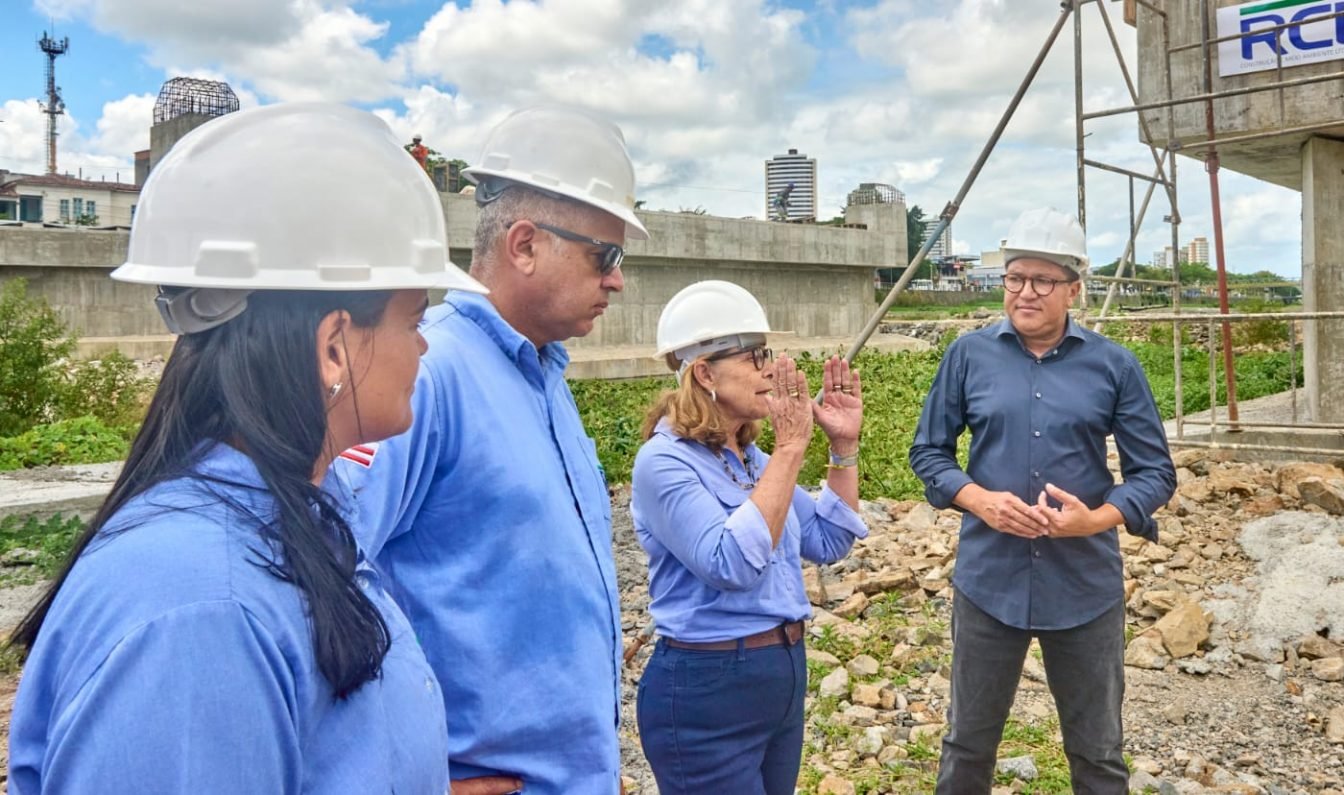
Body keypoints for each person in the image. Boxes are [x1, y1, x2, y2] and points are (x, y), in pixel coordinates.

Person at [6, 103, 507, 794]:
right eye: (415, 317)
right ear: (335, 344)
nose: (425, 343)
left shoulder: (291, 517)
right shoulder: (201, 609)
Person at [338, 106, 648, 795]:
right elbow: (315, 580)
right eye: (607, 255)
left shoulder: (544, 377)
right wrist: (386, 781)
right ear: (525, 244)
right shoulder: (428, 373)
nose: (617, 280)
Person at [909, 207, 1176, 794]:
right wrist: (979, 500)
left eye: (1043, 281)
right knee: (967, 746)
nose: (1026, 292)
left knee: (1099, 751)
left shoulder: (1114, 365)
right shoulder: (968, 356)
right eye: (1015, 278)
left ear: (1074, 288)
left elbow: (1155, 472)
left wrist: (1094, 521)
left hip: (1084, 587)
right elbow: (928, 454)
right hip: (988, 583)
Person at [630, 280, 868, 794]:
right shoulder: (664, 462)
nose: (768, 369)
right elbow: (729, 564)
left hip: (777, 673)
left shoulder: (749, 460)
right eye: (754, 356)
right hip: (708, 687)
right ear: (704, 372)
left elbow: (828, 539)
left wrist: (842, 447)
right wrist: (790, 450)